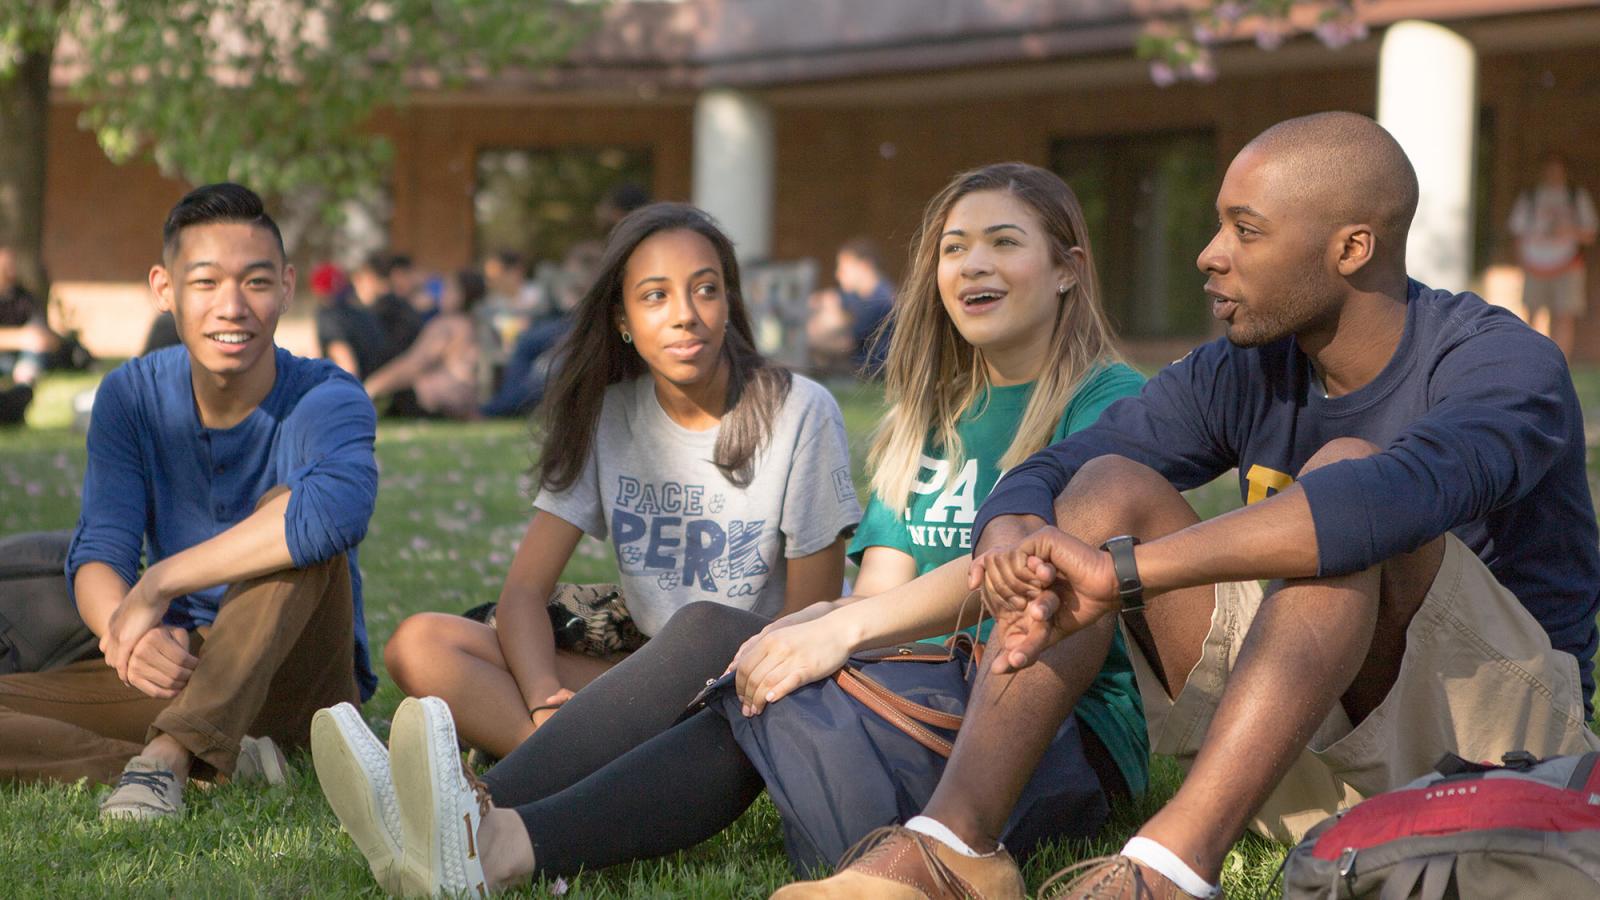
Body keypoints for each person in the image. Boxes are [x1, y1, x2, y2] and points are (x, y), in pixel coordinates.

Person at [790, 111, 1600, 900]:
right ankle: (954, 847)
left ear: (1352, 248)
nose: (1210, 256)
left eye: (1246, 231)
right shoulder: (1242, 370)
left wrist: (1125, 574)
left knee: (1344, 484)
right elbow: (1056, 466)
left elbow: (1373, 505)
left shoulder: (1503, 365)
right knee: (1106, 487)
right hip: (1303, 737)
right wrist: (1009, 532)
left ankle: (1169, 872)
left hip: (1496, 756)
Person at [310, 163, 1148, 897]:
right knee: (725, 646)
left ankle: (480, 828)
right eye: (955, 246)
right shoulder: (935, 416)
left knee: (737, 649)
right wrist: (816, 637)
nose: (972, 264)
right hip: (915, 701)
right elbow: (885, 590)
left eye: (1003, 242)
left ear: (1069, 269)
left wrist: (832, 630)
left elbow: (1032, 575)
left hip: (1042, 736)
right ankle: (484, 834)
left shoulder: (1104, 402)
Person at [378, 202, 860, 761]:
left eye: (705, 289)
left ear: (729, 302)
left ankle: (548, 773)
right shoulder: (608, 416)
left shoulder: (800, 411)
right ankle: (554, 758)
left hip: (761, 689)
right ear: (623, 320)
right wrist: (541, 699)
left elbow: (809, 621)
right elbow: (523, 596)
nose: (685, 314)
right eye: (655, 296)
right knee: (421, 644)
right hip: (649, 679)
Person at [0, 183, 380, 820]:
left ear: (287, 288)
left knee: (292, 513)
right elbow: (100, 549)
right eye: (205, 283)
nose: (231, 307)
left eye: (256, 283)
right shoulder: (132, 396)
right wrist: (122, 629)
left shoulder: (326, 396)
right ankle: (205, 758)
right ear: (164, 289)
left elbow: (332, 515)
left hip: (298, 675)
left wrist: (160, 584)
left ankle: (169, 759)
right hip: (181, 667)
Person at [479, 241, 603, 419]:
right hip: (559, 328)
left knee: (529, 348)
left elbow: (566, 307)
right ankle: (505, 403)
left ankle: (504, 404)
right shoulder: (496, 300)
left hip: (572, 326)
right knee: (531, 353)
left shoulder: (578, 286)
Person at [363, 269, 487, 419]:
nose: (442, 293)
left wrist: (372, 386)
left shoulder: (446, 325)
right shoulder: (474, 324)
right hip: (466, 400)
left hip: (436, 400)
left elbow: (416, 363)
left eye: (448, 288)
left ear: (462, 294)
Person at [1510, 152, 1597, 360]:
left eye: (1557, 171)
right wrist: (1523, 262)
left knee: (1564, 315)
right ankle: (1530, 358)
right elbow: (1517, 233)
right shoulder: (1531, 197)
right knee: (1532, 313)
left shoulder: (1575, 197)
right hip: (1535, 264)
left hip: (1568, 265)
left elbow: (1590, 234)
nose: (1553, 175)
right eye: (1549, 170)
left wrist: (1569, 231)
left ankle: (1560, 361)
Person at [806, 239, 895, 376]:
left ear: (864, 266)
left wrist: (808, 341)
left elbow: (847, 343)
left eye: (844, 269)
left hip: (872, 370)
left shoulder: (881, 300)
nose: (838, 275)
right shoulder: (858, 295)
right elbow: (832, 297)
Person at [0, 245, 62, 422]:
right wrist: (21, 338)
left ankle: (24, 385)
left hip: (19, 358)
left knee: (33, 352)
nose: (10, 269)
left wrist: (39, 339)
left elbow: (45, 334)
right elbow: (26, 336)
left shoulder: (23, 297)